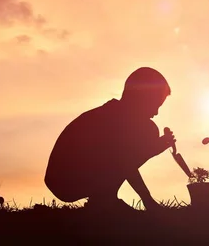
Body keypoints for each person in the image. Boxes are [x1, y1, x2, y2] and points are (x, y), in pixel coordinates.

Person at [44, 67, 176, 212]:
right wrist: (147, 199)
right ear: (141, 99)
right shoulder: (113, 119)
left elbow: (125, 160)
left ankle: (104, 199)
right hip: (65, 180)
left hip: (70, 177)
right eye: (155, 105)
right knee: (148, 133)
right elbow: (124, 161)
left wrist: (152, 149)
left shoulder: (116, 115)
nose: (156, 113)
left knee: (148, 134)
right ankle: (104, 202)